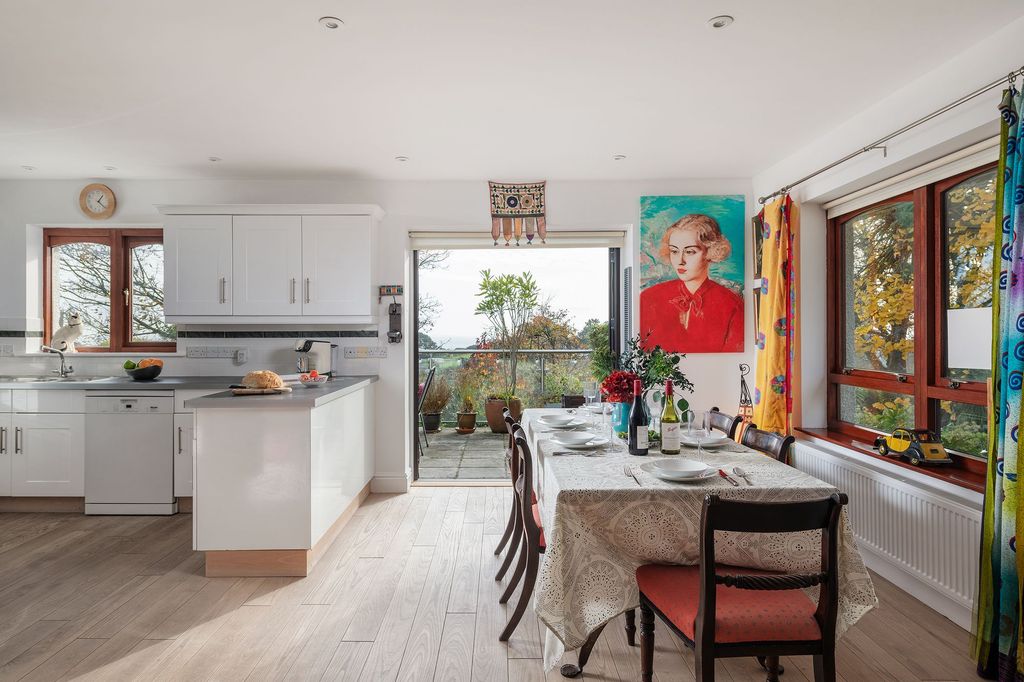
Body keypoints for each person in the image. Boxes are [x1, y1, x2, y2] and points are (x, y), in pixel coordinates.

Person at [640, 213, 743, 353]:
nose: (680, 261)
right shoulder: (649, 298)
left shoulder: (732, 305)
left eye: (689, 252)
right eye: (674, 251)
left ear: (710, 252)